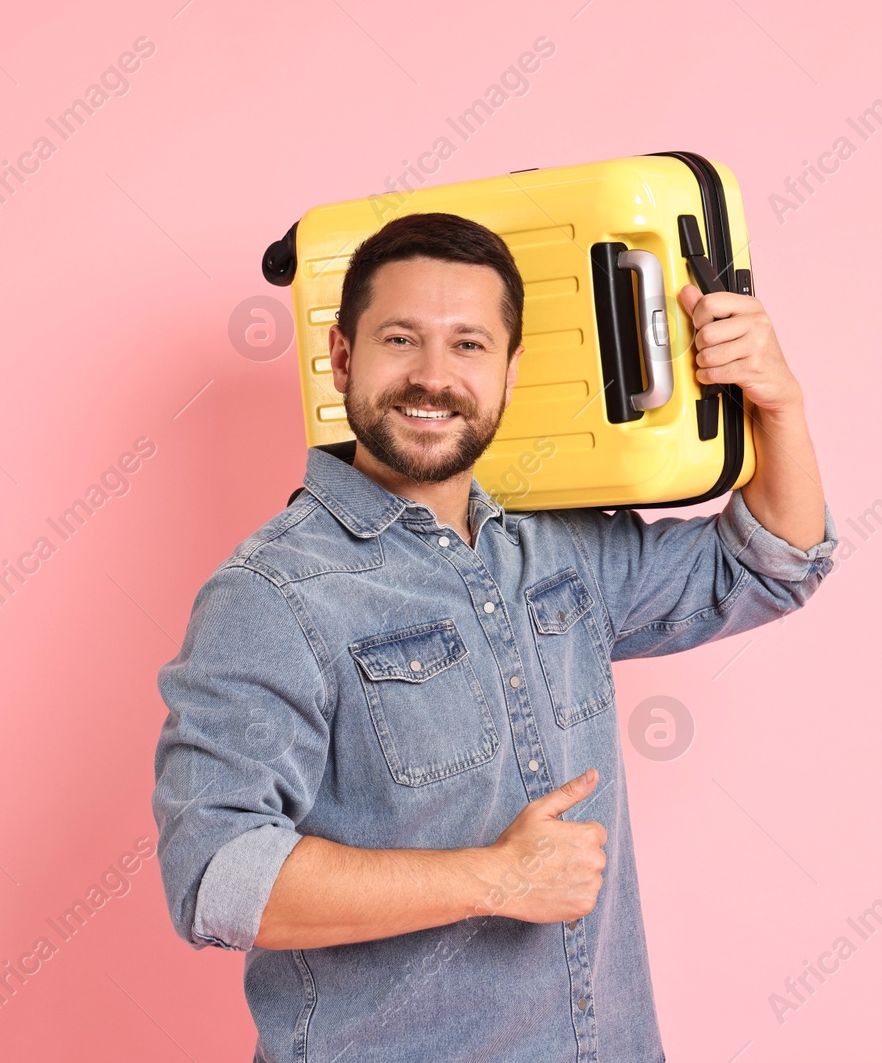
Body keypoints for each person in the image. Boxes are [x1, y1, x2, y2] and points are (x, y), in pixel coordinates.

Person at [152, 211, 836, 1061]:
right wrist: (494, 877)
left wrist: (781, 402)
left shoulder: (560, 548)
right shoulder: (271, 594)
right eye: (401, 338)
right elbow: (216, 876)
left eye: (468, 345)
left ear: (511, 373)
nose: (433, 378)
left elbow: (777, 563)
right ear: (341, 357)